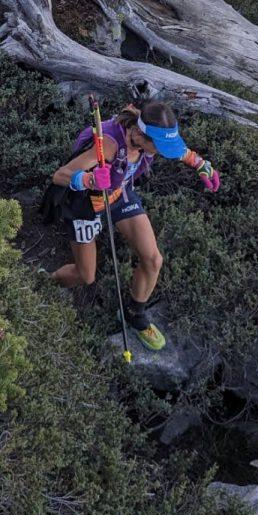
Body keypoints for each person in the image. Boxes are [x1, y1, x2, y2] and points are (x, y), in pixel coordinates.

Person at [49, 100, 221, 351]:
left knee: (153, 260)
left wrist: (200, 164)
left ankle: (133, 314)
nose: (161, 152)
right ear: (139, 134)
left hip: (119, 195)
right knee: (85, 276)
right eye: (158, 147)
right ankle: (47, 282)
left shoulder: (149, 131)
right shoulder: (109, 144)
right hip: (86, 204)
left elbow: (177, 149)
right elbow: (60, 175)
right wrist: (88, 179)